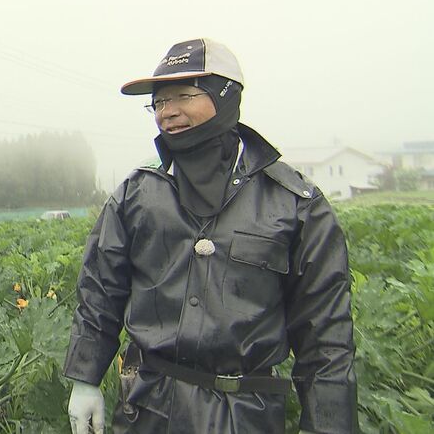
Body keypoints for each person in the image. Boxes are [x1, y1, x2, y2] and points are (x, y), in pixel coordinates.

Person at [64, 39, 357, 434]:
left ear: (226, 95)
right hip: (148, 409)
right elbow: (100, 291)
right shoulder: (136, 194)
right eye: (159, 102)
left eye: (183, 96)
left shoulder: (294, 203)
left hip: (248, 414)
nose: (168, 113)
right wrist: (85, 377)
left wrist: (328, 423)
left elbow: (325, 332)